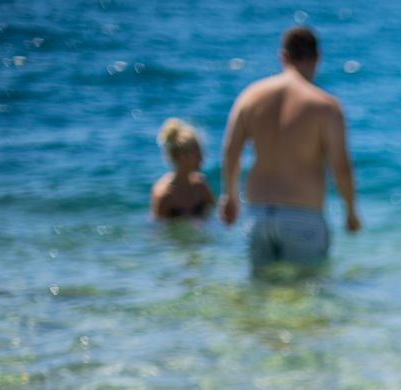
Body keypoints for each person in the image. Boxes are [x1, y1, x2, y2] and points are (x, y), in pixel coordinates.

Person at [219, 26, 360, 269]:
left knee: (260, 294)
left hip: (258, 215)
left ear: (282, 56)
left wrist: (230, 197)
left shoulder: (250, 97)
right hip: (303, 215)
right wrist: (350, 212)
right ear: (317, 58)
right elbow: (341, 167)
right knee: (309, 295)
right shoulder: (326, 107)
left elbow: (231, 151)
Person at [150, 119, 215, 220]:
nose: (202, 157)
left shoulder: (200, 186)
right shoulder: (163, 195)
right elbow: (157, 232)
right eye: (198, 152)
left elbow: (215, 216)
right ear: (182, 156)